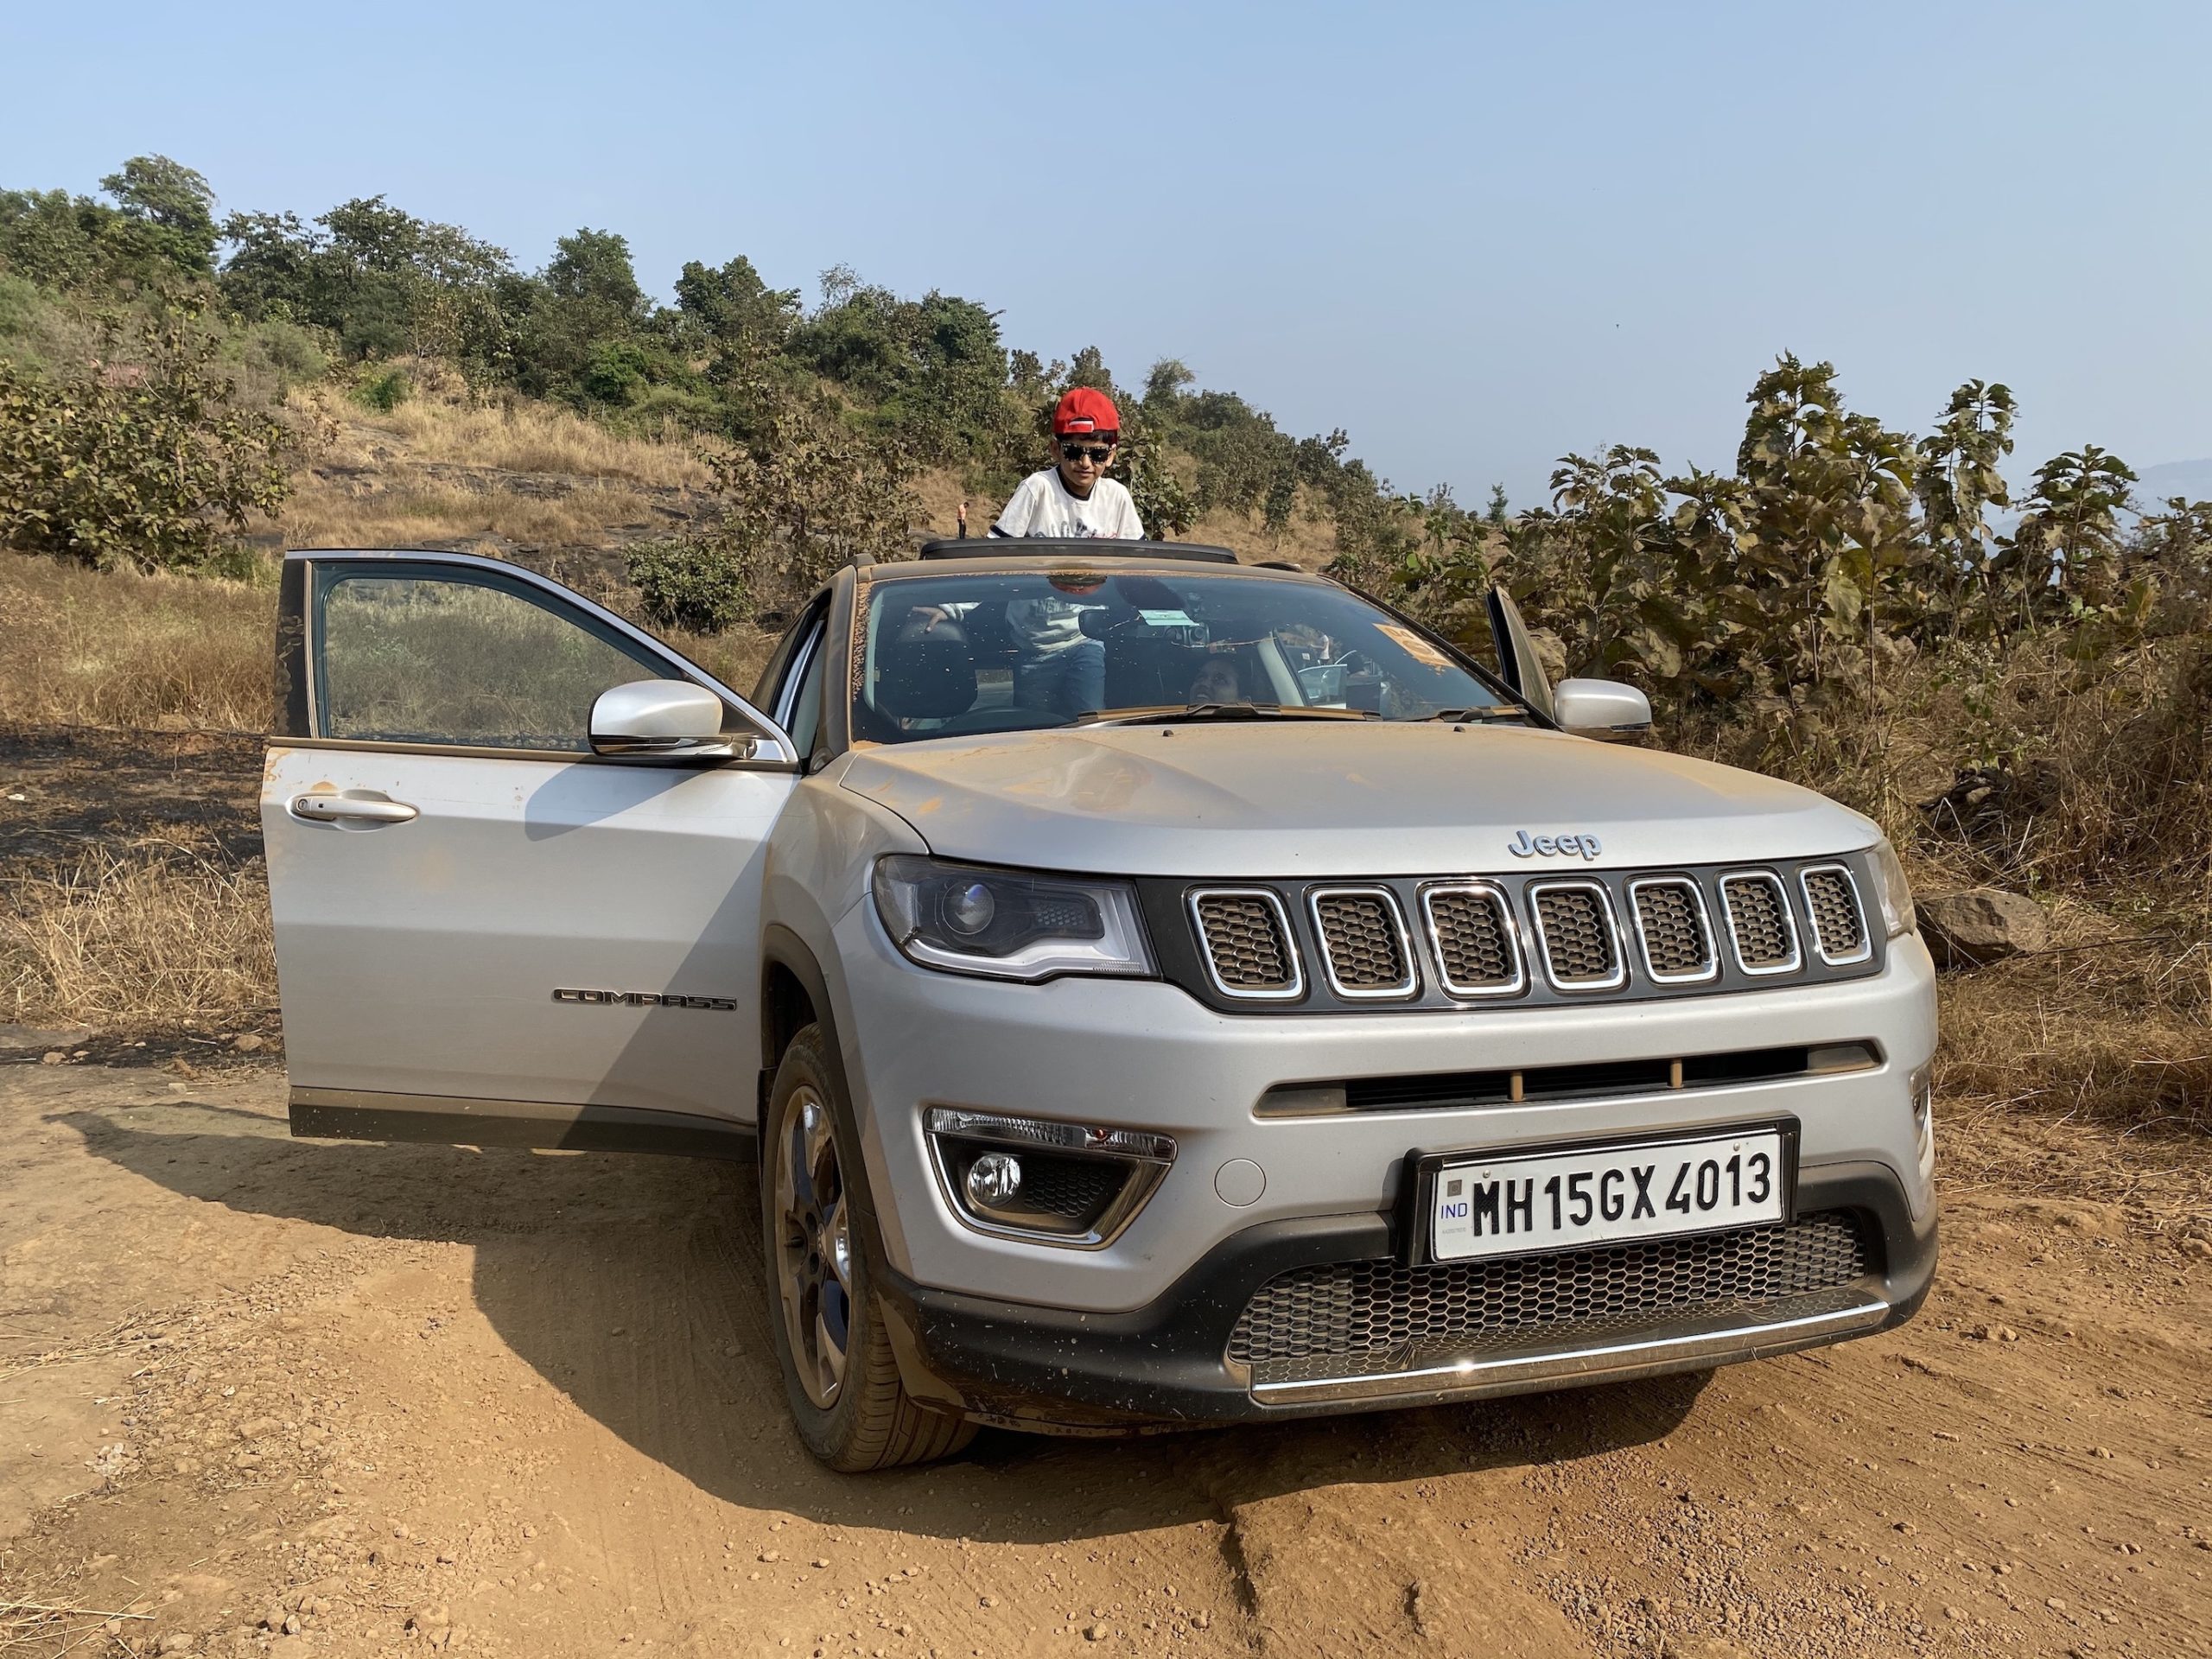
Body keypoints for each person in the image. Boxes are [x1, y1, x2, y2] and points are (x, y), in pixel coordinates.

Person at [991, 390, 1144, 716]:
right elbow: (992, 558)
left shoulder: (1117, 498)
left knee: (1090, 720)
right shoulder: (1037, 489)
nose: (1085, 463)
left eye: (1097, 454)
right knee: (1035, 729)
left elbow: (1139, 569)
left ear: (1112, 455)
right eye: (1074, 452)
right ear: (1055, 448)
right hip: (1033, 646)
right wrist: (950, 609)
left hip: (1085, 640)